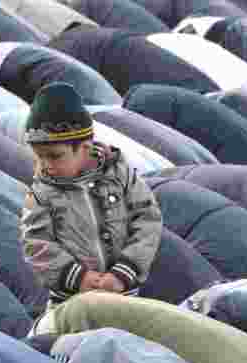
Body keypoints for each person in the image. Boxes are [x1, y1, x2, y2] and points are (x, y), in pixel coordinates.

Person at [21, 82, 162, 309]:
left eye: (55, 156)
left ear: (85, 147)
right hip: (69, 302)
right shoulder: (41, 194)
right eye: (39, 157)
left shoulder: (121, 175)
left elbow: (148, 221)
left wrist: (124, 272)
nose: (46, 165)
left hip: (126, 296)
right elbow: (36, 244)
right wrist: (79, 277)